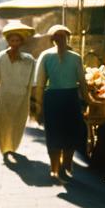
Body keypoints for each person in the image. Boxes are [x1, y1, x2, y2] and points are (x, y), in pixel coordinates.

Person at [32, 24, 88, 181]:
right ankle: (54, 168)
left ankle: (67, 166)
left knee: (70, 135)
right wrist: (38, 105)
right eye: (57, 36)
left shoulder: (76, 58)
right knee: (53, 135)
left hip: (71, 98)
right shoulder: (45, 56)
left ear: (67, 38)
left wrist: (89, 100)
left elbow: (82, 83)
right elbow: (40, 83)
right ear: (52, 39)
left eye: (63, 36)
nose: (60, 39)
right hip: (53, 98)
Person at [0, 21, 36, 163]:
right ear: (8, 41)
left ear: (21, 42)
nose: (14, 43)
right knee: (1, 125)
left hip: (21, 99)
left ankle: (12, 147)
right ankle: (4, 149)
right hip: (3, 98)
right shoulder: (1, 58)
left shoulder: (29, 60)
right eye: (12, 40)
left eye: (17, 40)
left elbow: (32, 84)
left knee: (17, 125)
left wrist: (34, 102)